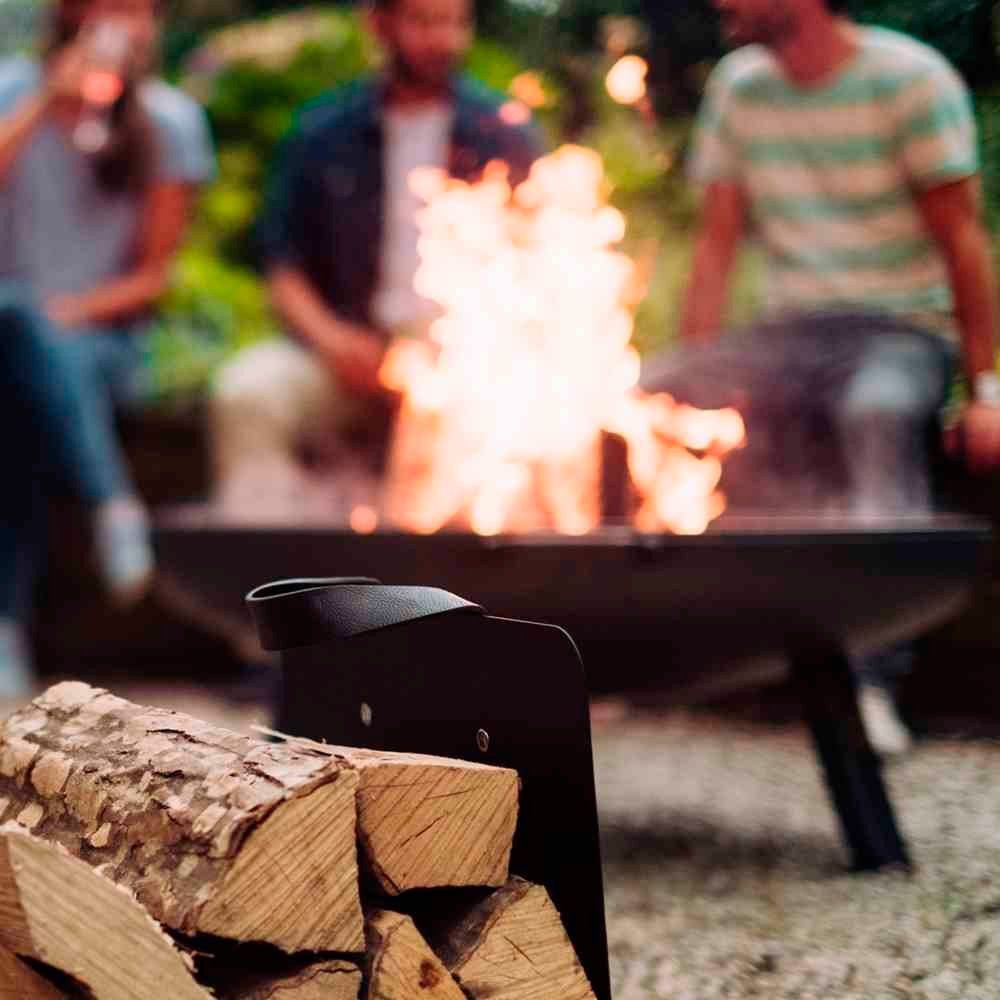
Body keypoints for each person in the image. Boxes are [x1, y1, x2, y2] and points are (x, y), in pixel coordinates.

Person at [664, 0, 1000, 753]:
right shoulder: (738, 87)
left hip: (899, 331)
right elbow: (715, 247)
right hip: (788, 333)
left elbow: (965, 243)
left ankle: (873, 683)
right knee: (639, 393)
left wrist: (986, 394)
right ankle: (651, 655)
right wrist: (689, 373)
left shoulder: (912, 81)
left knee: (873, 412)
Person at [209, 0, 544, 514]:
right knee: (249, 392)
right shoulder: (321, 133)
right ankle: (265, 573)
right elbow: (283, 266)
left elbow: (540, 274)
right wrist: (332, 340)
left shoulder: (503, 134)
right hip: (346, 352)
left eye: (455, 22)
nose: (444, 40)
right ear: (379, 24)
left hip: (462, 369)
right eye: (425, 22)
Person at [0, 0, 215, 694]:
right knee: (18, 328)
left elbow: (153, 277)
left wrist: (70, 312)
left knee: (23, 383)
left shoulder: (171, 121)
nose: (127, 23)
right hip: (10, 326)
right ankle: (113, 505)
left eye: (140, 10)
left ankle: (4, 629)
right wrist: (42, 105)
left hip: (106, 341)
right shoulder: (11, 93)